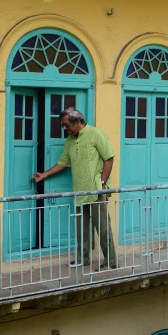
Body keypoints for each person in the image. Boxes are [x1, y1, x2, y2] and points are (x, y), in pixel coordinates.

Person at [32, 108, 117, 269]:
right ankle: (83, 259)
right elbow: (63, 163)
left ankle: (111, 261)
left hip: (96, 190)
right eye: (63, 126)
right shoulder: (70, 140)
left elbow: (109, 158)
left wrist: (103, 182)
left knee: (103, 228)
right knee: (82, 229)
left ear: (77, 122)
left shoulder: (96, 134)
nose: (65, 129)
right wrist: (44, 175)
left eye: (66, 125)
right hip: (79, 190)